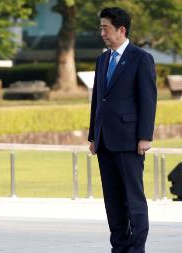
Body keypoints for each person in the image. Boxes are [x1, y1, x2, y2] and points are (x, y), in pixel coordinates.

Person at [88, 7, 157, 253]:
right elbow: (98, 100)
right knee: (113, 201)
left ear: (121, 29)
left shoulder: (141, 58)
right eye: (101, 28)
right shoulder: (103, 59)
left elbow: (147, 100)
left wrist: (145, 137)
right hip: (105, 140)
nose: (102, 33)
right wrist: (93, 135)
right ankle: (119, 247)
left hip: (129, 141)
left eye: (105, 28)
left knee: (133, 199)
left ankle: (136, 249)